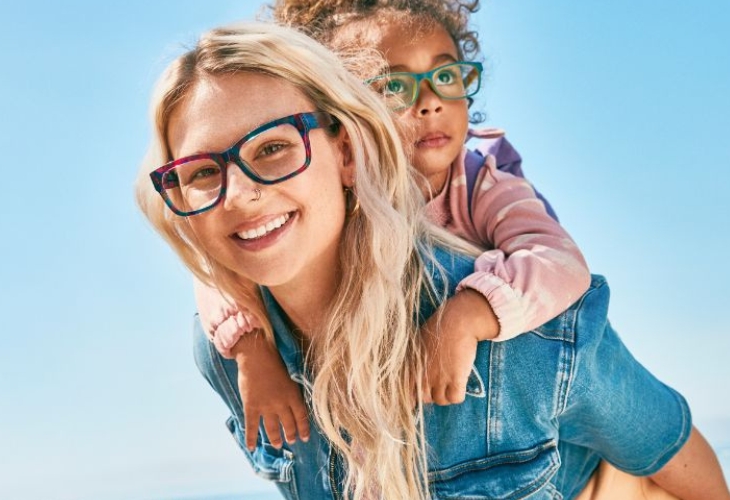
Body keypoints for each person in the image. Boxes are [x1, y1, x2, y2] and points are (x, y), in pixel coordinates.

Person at [135, 22, 729, 500]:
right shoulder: (228, 353)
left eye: (273, 148)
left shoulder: (516, 325)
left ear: (349, 152)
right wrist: (249, 349)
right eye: (202, 173)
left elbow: (665, 445)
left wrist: (469, 314)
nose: (238, 194)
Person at [194, 0, 590, 450]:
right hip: (358, 398)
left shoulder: (481, 184)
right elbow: (217, 264)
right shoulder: (330, 193)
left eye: (445, 76)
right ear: (340, 112)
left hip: (484, 405)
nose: (429, 103)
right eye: (393, 86)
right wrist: (252, 351)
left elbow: (560, 260)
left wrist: (468, 314)